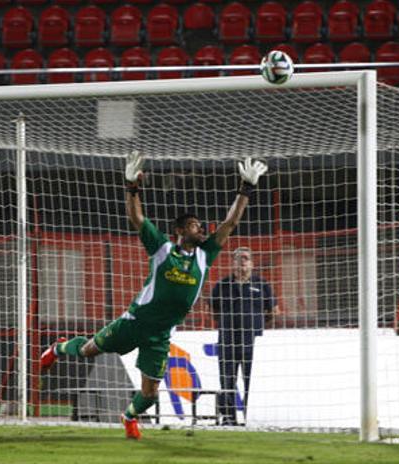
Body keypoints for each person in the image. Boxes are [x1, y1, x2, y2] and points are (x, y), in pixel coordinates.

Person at [39, 151, 268, 439]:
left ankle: (129, 417)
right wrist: (132, 186)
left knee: (149, 394)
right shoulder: (162, 249)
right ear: (180, 231)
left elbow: (230, 224)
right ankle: (58, 348)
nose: (202, 229)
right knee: (87, 351)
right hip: (133, 323)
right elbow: (136, 217)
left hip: (160, 335)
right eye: (196, 225)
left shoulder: (204, 255)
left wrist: (246, 189)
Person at [210, 247, 279, 426]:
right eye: (238, 258)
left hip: (253, 343)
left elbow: (273, 311)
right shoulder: (222, 286)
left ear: (252, 264)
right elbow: (214, 310)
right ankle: (228, 418)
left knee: (252, 382)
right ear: (232, 263)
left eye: (246, 258)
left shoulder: (262, 285)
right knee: (227, 380)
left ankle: (251, 418)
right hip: (227, 342)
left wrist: (257, 324)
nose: (242, 261)